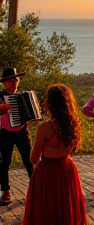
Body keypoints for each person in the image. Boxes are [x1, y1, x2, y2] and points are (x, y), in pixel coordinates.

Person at [22, 84, 86, 225]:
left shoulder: (44, 127)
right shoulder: (74, 125)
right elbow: (74, 149)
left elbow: (33, 159)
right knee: (66, 206)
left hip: (47, 173)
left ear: (49, 103)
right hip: (67, 169)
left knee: (47, 209)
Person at [0, 68, 34, 205]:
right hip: (4, 133)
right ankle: (6, 190)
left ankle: (35, 188)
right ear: (4, 83)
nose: (14, 82)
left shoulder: (23, 96)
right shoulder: (0, 96)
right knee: (5, 162)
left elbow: (30, 114)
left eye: (16, 80)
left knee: (29, 161)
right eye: (10, 80)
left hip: (22, 132)